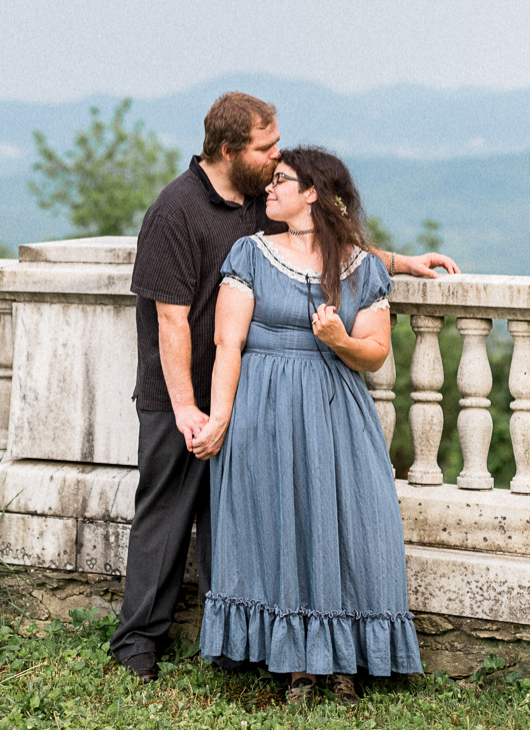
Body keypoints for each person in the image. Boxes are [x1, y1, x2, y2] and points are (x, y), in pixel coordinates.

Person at [110, 97, 459, 682]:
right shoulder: (175, 212)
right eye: (265, 149)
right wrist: (189, 410)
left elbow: (317, 245)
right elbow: (169, 323)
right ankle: (137, 645)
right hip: (182, 390)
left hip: (246, 390)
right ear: (228, 151)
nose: (274, 158)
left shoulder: (254, 204)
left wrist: (400, 261)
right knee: (167, 516)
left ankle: (244, 647)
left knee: (237, 519)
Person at [194, 147, 428, 705]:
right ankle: (298, 663)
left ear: (313, 194)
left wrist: (340, 341)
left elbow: (374, 353)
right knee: (280, 524)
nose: (267, 190)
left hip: (335, 408)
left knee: (347, 525)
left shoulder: (362, 267)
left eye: (281, 181)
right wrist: (220, 418)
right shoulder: (248, 253)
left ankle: (342, 657)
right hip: (264, 407)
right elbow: (229, 344)